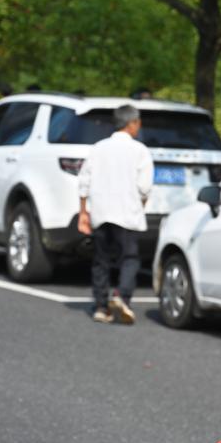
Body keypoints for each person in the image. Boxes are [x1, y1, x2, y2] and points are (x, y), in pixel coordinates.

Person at [77, 104, 154, 325]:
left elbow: (84, 181)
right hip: (127, 212)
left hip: (101, 212)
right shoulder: (140, 150)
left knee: (101, 260)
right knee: (129, 258)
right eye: (138, 122)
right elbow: (145, 187)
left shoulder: (98, 148)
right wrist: (141, 205)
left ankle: (101, 306)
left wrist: (83, 212)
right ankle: (122, 296)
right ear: (132, 123)